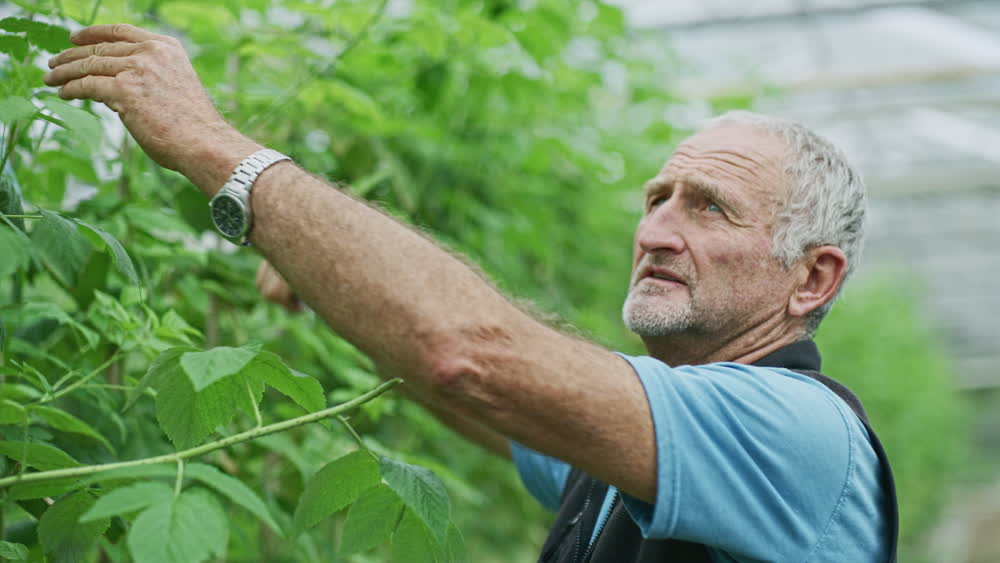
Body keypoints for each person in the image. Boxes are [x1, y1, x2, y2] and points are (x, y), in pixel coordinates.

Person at [43, 24, 897, 562]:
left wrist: (211, 145)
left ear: (811, 277)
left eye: (710, 207)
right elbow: (496, 403)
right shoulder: (638, 445)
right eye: (655, 200)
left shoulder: (798, 435)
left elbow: (475, 357)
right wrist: (335, 274)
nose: (658, 231)